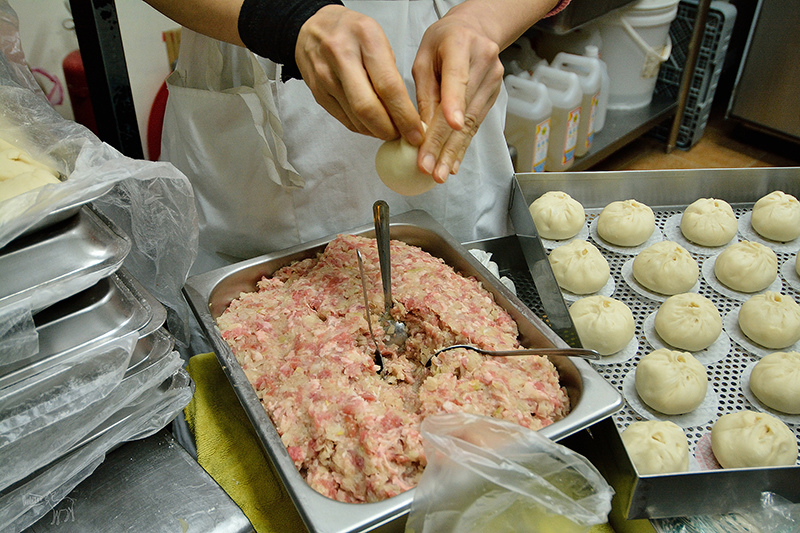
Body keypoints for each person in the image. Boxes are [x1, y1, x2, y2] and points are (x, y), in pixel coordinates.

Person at [144, 0, 568, 274]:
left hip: (447, 35)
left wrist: (485, 19)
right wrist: (280, 18)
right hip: (247, 36)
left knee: (465, 277)